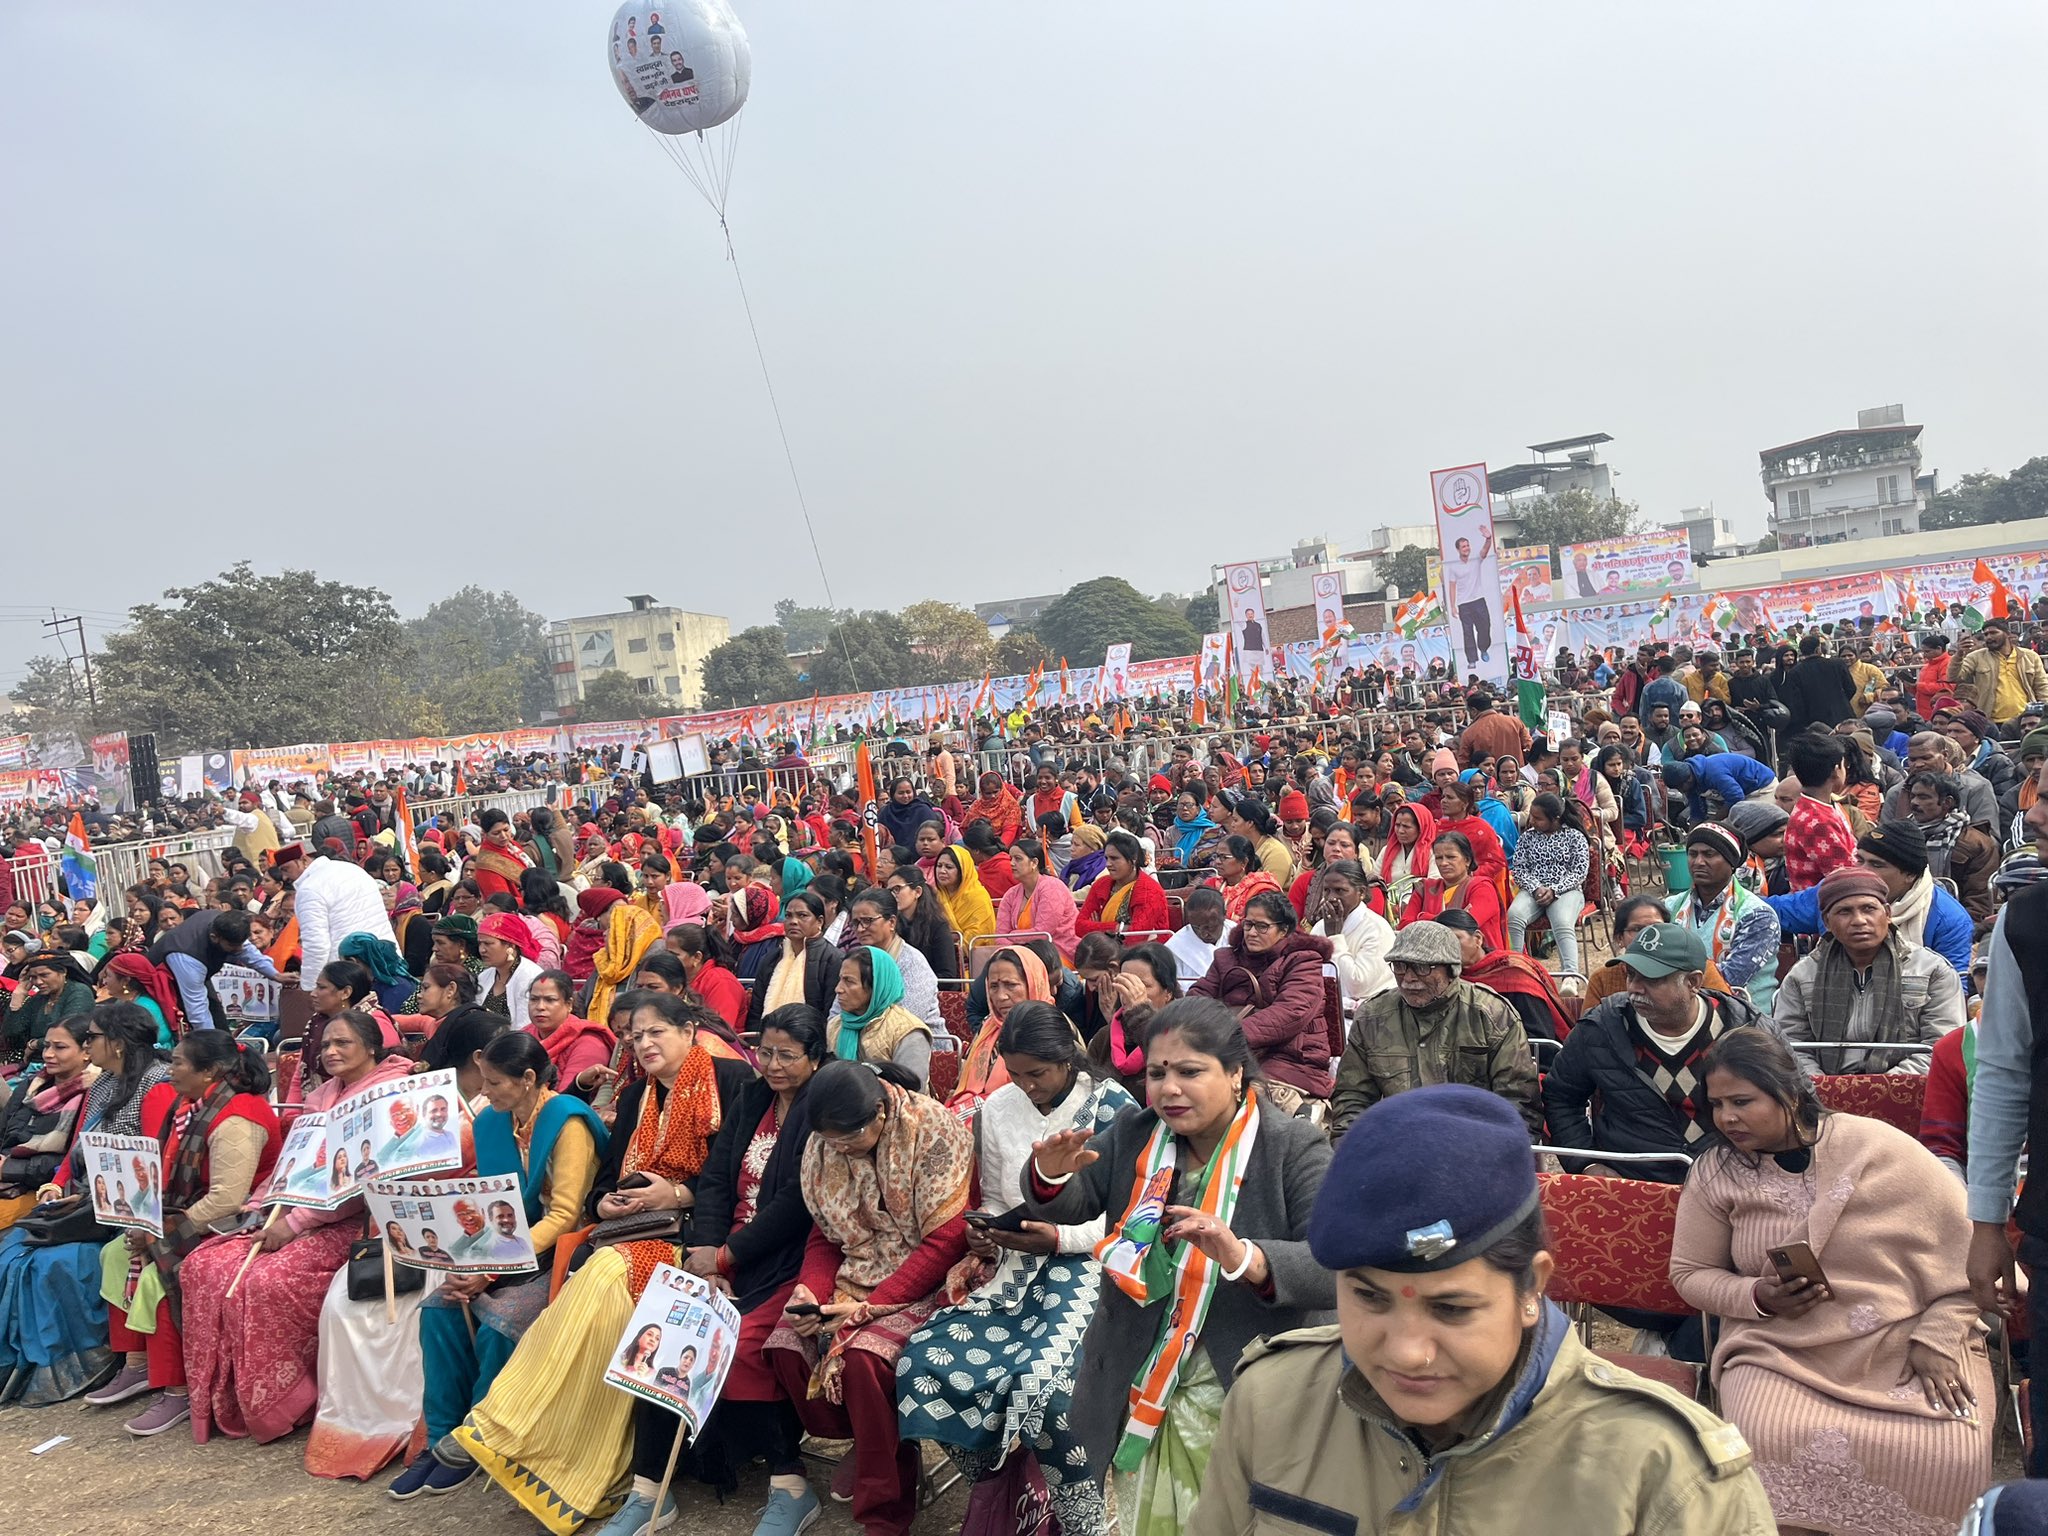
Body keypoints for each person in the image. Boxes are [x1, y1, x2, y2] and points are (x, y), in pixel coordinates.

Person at [1188, 1083, 1775, 1536]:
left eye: (1451, 1309)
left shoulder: (1671, 1479)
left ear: (1531, 1289)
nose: (1407, 1352)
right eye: (1368, 1297)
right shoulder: (1272, 1402)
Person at [1020, 998, 1335, 1536]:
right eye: (1157, 1073)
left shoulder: (1291, 1147)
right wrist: (1048, 1176)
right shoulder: (1135, 1133)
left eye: (1190, 1072)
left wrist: (1246, 1258)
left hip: (1241, 1378)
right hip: (1140, 1366)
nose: (1168, 1089)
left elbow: (1331, 1266)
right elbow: (1075, 1200)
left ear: (1236, 1074)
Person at [447, 992, 751, 1532]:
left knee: (605, 1278)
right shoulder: (635, 1095)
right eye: (635, 1036)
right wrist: (605, 1202)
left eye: (656, 1032)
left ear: (688, 1030)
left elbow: (734, 1181)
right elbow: (603, 1185)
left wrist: (676, 1195)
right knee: (602, 1287)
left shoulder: (730, 1084)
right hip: (627, 1233)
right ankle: (554, 1452)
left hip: (698, 1238)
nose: (644, 1043)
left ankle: (513, 1424)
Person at [1671, 1030, 1992, 1533]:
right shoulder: (1718, 1172)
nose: (1727, 1118)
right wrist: (1757, 1295)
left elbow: (1973, 1257)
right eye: (1716, 1104)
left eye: (1743, 1101)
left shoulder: (1877, 1149)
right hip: (1778, 1348)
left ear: (1791, 1093)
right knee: (1767, 1431)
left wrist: (1938, 1337)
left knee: (1951, 1446)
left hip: (1903, 1341)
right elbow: (1689, 1274)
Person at [899, 1002, 1136, 1536]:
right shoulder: (999, 1107)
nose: (1027, 1085)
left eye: (1039, 1073)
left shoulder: (1113, 1108)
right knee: (919, 1364)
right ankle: (998, 1476)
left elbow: (1130, 1220)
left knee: (1042, 1388)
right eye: (1017, 1072)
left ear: (1069, 1060)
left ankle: (1082, 1518)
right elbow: (1002, 1196)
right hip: (1015, 1266)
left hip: (1093, 1267)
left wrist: (1060, 1237)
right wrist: (986, 1231)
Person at [177, 1008, 410, 1442]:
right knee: (204, 1267)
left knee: (267, 1281)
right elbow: (295, 1162)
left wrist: (296, 1222)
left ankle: (286, 1400)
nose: (331, 1051)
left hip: (356, 1222)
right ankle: (224, 1401)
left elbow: (360, 1182)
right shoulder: (322, 1095)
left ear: (372, 1046)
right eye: (326, 1045)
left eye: (343, 1043)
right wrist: (263, 1201)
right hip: (293, 1213)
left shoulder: (389, 1094)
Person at [389, 1031, 607, 1497]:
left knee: (500, 1323)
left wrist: (489, 1268)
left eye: (493, 1082)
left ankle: (481, 1437)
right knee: (440, 1310)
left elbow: (566, 1215)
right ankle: (442, 1436)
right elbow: (492, 1203)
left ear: (528, 1079)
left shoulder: (568, 1123)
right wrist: (468, 1260)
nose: (483, 1091)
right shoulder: (495, 1122)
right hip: (509, 1242)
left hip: (569, 1250)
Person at [763, 1061, 973, 1536]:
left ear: (879, 1113)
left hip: (932, 1277)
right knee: (786, 1345)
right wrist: (811, 1290)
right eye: (828, 1140)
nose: (836, 1149)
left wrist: (868, 1308)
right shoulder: (825, 1141)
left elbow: (947, 1239)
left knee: (863, 1359)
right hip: (855, 1270)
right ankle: (873, 1440)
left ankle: (885, 1511)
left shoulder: (932, 1129)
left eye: (845, 1139)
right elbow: (825, 1233)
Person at [658, 1004, 822, 1507]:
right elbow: (713, 1179)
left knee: (744, 1342)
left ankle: (786, 1473)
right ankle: (660, 1476)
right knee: (668, 1333)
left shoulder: (821, 1106)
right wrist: (705, 1249)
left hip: (784, 1257)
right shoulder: (753, 1097)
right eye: (765, 1052)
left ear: (814, 1058)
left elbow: (797, 1202)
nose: (772, 1065)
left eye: (786, 1055)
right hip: (724, 1250)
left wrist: (726, 1258)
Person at [0, 1006, 175, 1405]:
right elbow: (79, 1144)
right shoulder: (102, 1084)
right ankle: (23, 1366)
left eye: (91, 1037)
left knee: (51, 1263)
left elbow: (155, 1165)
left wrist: (94, 1195)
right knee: (14, 1250)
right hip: (87, 1196)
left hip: (128, 1207)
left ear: (116, 1042)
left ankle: (80, 1365)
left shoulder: (157, 1085)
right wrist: (58, 1185)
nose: (88, 1044)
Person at [1543, 922, 1774, 1177]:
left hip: (1734, 1182)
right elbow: (1560, 1097)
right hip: (1633, 1185)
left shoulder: (1748, 1028)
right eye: (1630, 974)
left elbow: (1795, 1103)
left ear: (1693, 982)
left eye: (1651, 978)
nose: (1634, 988)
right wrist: (1587, 1164)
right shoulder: (1600, 1029)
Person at [1330, 920, 1540, 1139]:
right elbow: (1352, 1098)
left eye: (1422, 967)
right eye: (1400, 966)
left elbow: (1519, 1104)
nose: (1409, 978)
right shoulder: (1373, 1017)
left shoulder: (1491, 1014)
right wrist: (1352, 1152)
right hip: (1398, 1147)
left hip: (1476, 1147)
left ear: (1452, 969)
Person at [1772, 865, 1963, 1078]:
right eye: (1844, 911)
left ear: (1888, 914)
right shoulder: (1803, 975)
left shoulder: (1932, 970)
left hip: (1908, 1093)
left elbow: (1942, 1046)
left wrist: (1879, 1089)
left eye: (1869, 909)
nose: (1859, 921)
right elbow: (1790, 1047)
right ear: (1827, 922)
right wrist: (1824, 1088)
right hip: (1822, 1095)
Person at [1767, 819, 1977, 985]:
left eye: (1876, 864)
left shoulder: (1949, 919)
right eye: (1860, 860)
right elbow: (1772, 911)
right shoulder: (1836, 892)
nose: (1861, 871)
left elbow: (1954, 989)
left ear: (1910, 875)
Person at [1190, 890, 1334, 1113]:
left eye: (1262, 926)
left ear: (1283, 930)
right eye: (1248, 925)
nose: (1252, 933)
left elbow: (1290, 1012)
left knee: (1237, 1098)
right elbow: (1199, 996)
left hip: (1289, 1058)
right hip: (1228, 1052)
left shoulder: (1303, 960)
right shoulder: (1225, 958)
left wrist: (1228, 1035)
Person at [1663, 821, 1781, 1014]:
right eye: (1693, 854)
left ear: (1731, 862)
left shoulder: (1758, 916)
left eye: (1709, 854)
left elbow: (1728, 979)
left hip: (1745, 1019)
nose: (1698, 862)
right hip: (1683, 1013)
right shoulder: (1671, 906)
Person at [0, 1015, 99, 1234]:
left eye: (60, 1047)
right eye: (46, 1046)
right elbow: (3, 1131)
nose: (48, 1054)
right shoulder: (32, 1085)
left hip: (41, 1186)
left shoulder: (93, 1095)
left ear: (86, 1052)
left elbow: (72, 1159)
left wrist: (9, 1169)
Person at [948, 944, 1053, 1116]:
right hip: (977, 1110)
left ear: (1033, 983)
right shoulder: (988, 1026)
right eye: (994, 986)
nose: (1000, 996)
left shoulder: (1050, 1027)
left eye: (1010, 985)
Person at [1445, 910, 1574, 1045]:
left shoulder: (1514, 974)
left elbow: (1540, 1038)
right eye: (1441, 942)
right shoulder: (1442, 979)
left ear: (1478, 938)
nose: (1447, 947)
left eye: (1455, 939)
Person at [274, 842, 396, 984]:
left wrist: (309, 986)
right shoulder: (352, 869)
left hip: (348, 972)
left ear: (304, 860)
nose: (284, 877)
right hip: (385, 958)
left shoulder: (309, 888)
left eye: (286, 869)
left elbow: (316, 945)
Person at [1505, 793, 1590, 976]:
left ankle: (1570, 976)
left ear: (1555, 819)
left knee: (1562, 922)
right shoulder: (1528, 837)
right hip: (1533, 890)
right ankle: (1517, 970)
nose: (1532, 821)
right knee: (1514, 916)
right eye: (1531, 816)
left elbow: (1579, 872)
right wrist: (1536, 888)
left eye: (1538, 818)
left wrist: (1555, 890)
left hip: (1567, 890)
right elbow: (1519, 868)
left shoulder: (1575, 837)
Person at [827, 945, 936, 1088]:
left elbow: (913, 1093)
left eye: (849, 981)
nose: (838, 989)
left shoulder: (908, 1032)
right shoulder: (836, 1025)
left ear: (876, 986)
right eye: (840, 979)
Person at [840, 889, 944, 1034]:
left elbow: (907, 1021)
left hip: (918, 1044)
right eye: (855, 922)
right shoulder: (855, 960)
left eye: (867, 921)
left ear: (892, 922)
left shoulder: (912, 962)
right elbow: (838, 1010)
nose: (860, 929)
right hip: (859, 1037)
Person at [1905, 770, 1997, 932]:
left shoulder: (1977, 844)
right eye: (1913, 796)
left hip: (1954, 925)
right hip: (1902, 920)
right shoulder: (1900, 835)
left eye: (1924, 797)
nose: (1914, 803)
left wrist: (1963, 932)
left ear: (1947, 803)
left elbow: (1979, 900)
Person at [746, 888, 844, 1026]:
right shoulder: (772, 958)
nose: (793, 921)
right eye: (788, 916)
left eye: (802, 915)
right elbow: (756, 1010)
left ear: (819, 921)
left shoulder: (833, 959)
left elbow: (830, 1013)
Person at [1400, 830, 1506, 950]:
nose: (1444, 863)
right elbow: (1405, 927)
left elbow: (1464, 926)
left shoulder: (1482, 888)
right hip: (1429, 960)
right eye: (1439, 858)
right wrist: (1448, 919)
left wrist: (1423, 917)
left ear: (1467, 860)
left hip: (1479, 962)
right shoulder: (1425, 888)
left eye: (1451, 857)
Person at [1313, 857, 1393, 1004]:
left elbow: (1356, 986)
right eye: (1327, 890)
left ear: (1361, 892)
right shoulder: (1320, 927)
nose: (1331, 898)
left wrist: (1335, 937)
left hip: (1372, 1011)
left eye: (1340, 891)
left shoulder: (1377, 929)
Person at [994, 835, 1080, 963]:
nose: (1011, 863)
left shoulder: (1052, 887)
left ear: (1034, 863)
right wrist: (1015, 954)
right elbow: (1000, 935)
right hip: (1018, 955)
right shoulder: (1011, 894)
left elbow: (1043, 933)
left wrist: (1012, 936)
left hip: (1056, 955)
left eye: (1018, 859)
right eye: (1010, 858)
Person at [525, 967, 617, 1087]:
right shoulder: (525, 1034)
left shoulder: (589, 1043)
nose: (540, 1006)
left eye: (550, 1000)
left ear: (569, 1005)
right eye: (534, 999)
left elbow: (569, 1097)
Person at [1948, 617, 2048, 723]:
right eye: (1986, 634)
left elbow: (2041, 687)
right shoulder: (1976, 657)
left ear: (2007, 634)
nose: (1989, 637)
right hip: (1990, 721)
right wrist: (1959, 654)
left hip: (2025, 720)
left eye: (1993, 633)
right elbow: (1954, 677)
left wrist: (2045, 714)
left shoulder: (2029, 656)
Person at [5, 949, 96, 1064]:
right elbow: (11, 1034)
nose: (38, 982)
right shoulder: (40, 998)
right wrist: (18, 997)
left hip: (66, 1064)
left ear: (63, 972)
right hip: (35, 1063)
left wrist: (34, 1044)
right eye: (33, 977)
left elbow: (69, 1035)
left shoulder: (79, 992)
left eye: (44, 975)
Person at [1074, 829, 1169, 938]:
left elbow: (1136, 936)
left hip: (1145, 952)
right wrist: (1118, 927)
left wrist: (1097, 926)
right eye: (1106, 858)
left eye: (1114, 858)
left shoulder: (1150, 890)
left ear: (1133, 859)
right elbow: (1079, 927)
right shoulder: (1101, 885)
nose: (1108, 864)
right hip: (1101, 948)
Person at [1165, 884, 1232, 986]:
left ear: (1224, 916)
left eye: (1209, 927)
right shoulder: (1175, 947)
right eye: (1196, 927)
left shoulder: (1239, 935)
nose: (1203, 933)